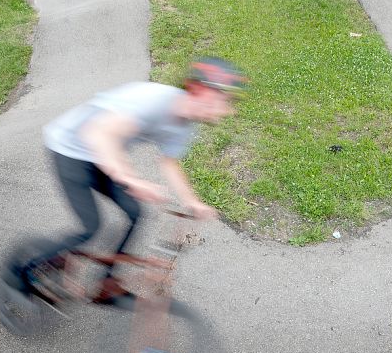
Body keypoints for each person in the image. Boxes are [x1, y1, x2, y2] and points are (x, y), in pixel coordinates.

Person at [39, 56, 246, 303]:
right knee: (90, 227)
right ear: (200, 90)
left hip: (103, 154)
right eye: (224, 100)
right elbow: (97, 132)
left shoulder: (185, 125)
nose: (228, 110)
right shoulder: (153, 101)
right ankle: (29, 271)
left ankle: (107, 283)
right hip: (70, 148)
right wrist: (130, 179)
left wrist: (192, 201)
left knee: (135, 212)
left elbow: (169, 162)